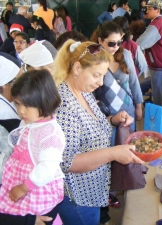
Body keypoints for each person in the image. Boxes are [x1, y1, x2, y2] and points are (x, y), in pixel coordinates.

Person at [52, 39, 144, 225]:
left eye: (103, 75)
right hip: (78, 197)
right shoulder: (64, 106)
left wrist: (113, 120)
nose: (101, 82)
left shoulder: (83, 92)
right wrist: (112, 154)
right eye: (96, 75)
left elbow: (90, 129)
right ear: (77, 68)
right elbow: (67, 163)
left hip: (94, 188)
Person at [0, 69, 65, 225]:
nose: (21, 111)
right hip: (21, 177)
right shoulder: (30, 120)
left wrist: (23, 188)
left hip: (35, 185)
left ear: (45, 101)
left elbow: (46, 169)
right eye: (17, 104)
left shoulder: (51, 134)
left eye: (27, 106)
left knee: (26, 211)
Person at [95, 21, 143, 132]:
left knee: (128, 145)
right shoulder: (94, 60)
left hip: (128, 113)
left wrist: (139, 106)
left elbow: (134, 82)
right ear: (100, 40)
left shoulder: (126, 54)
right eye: (111, 43)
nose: (116, 47)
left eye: (119, 42)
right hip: (107, 116)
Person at [137, 0, 162, 107]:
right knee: (158, 93)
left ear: (158, 10)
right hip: (161, 64)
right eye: (146, 8)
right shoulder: (159, 22)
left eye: (150, 9)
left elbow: (141, 43)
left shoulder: (156, 25)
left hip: (160, 66)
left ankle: (160, 121)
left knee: (159, 98)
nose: (147, 11)